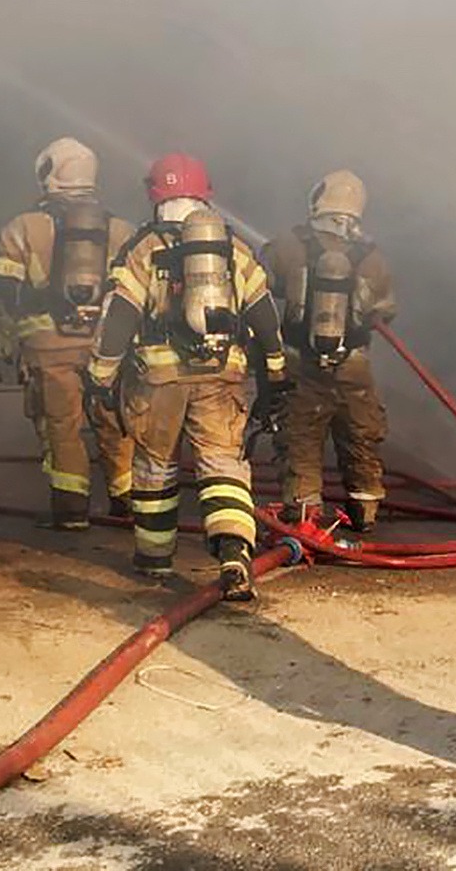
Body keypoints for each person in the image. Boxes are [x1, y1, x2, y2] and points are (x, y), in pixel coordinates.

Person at [83, 153, 290, 600]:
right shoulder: (233, 248)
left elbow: (118, 319)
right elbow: (264, 315)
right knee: (223, 464)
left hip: (157, 382)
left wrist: (99, 376)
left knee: (155, 468)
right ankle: (234, 553)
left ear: (155, 195)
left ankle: (154, 559)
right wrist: (275, 372)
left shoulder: (144, 248)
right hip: (222, 374)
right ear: (205, 194)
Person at [0, 138, 136, 529]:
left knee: (61, 425)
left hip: (48, 345)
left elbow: (2, 293)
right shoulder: (122, 229)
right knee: (114, 419)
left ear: (48, 172)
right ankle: (129, 500)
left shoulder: (21, 227)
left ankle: (71, 510)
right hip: (107, 345)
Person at [261, 169, 397, 532]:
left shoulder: (289, 244)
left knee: (300, 438)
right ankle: (365, 510)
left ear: (317, 200)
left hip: (300, 363)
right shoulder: (372, 256)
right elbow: (386, 309)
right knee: (360, 436)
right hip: (353, 366)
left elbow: (263, 282)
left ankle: (304, 514)